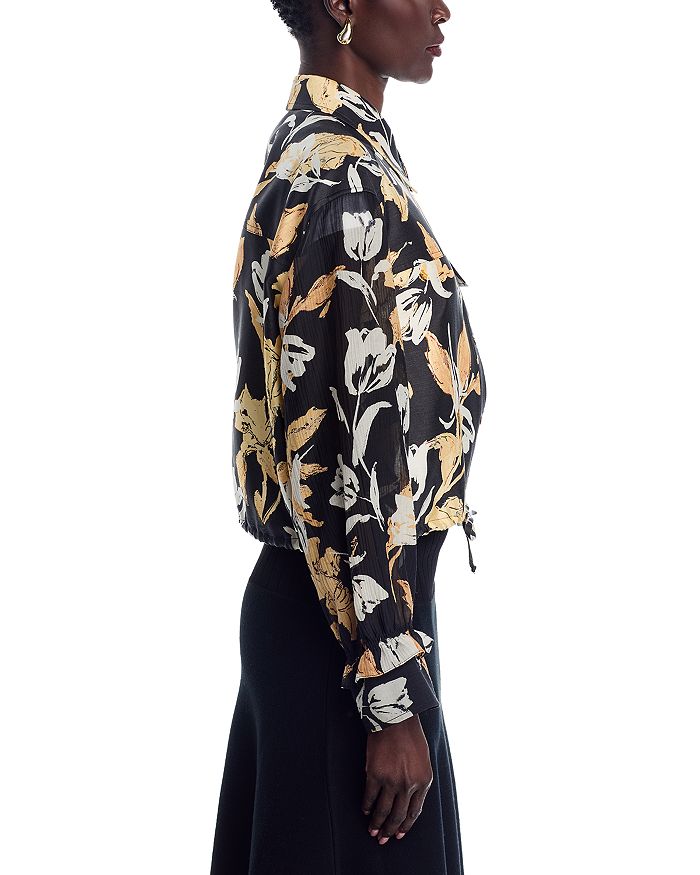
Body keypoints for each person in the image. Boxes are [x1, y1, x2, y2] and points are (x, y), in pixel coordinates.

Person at [210, 1, 487, 872]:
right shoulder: (342, 178)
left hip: (344, 623)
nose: (442, 8)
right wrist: (391, 694)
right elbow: (346, 450)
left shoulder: (324, 152)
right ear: (340, 4)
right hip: (352, 643)